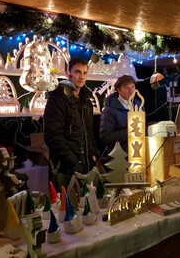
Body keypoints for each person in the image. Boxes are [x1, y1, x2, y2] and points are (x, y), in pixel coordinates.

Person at [44, 58, 99, 189]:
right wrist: (73, 160)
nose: (81, 77)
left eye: (85, 73)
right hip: (65, 169)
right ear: (69, 72)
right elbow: (52, 135)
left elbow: (89, 132)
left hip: (86, 166)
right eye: (78, 72)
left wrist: (94, 154)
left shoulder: (87, 102)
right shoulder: (57, 99)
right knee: (64, 206)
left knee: (87, 205)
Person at [99, 75, 143, 155]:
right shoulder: (109, 110)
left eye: (133, 87)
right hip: (118, 158)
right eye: (127, 88)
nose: (131, 91)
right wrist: (129, 132)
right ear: (118, 90)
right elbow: (105, 137)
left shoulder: (140, 106)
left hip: (138, 155)